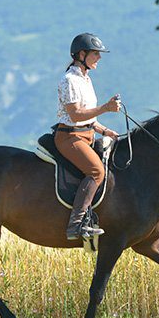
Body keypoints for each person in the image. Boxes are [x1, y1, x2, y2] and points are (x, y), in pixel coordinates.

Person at [55, 33, 121, 241]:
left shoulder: (85, 78)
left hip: (86, 134)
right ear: (81, 54)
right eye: (95, 54)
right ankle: (76, 225)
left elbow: (88, 115)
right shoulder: (70, 80)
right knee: (95, 171)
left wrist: (104, 130)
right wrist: (106, 108)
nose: (99, 58)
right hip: (69, 137)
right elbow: (76, 115)